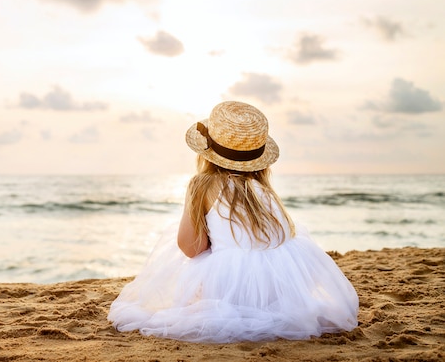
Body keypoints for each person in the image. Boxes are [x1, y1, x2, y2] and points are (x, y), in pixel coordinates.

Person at [108, 101, 359, 343]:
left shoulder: (202, 184)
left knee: (193, 259)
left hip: (230, 290)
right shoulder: (262, 189)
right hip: (282, 290)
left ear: (207, 153)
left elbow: (189, 247)